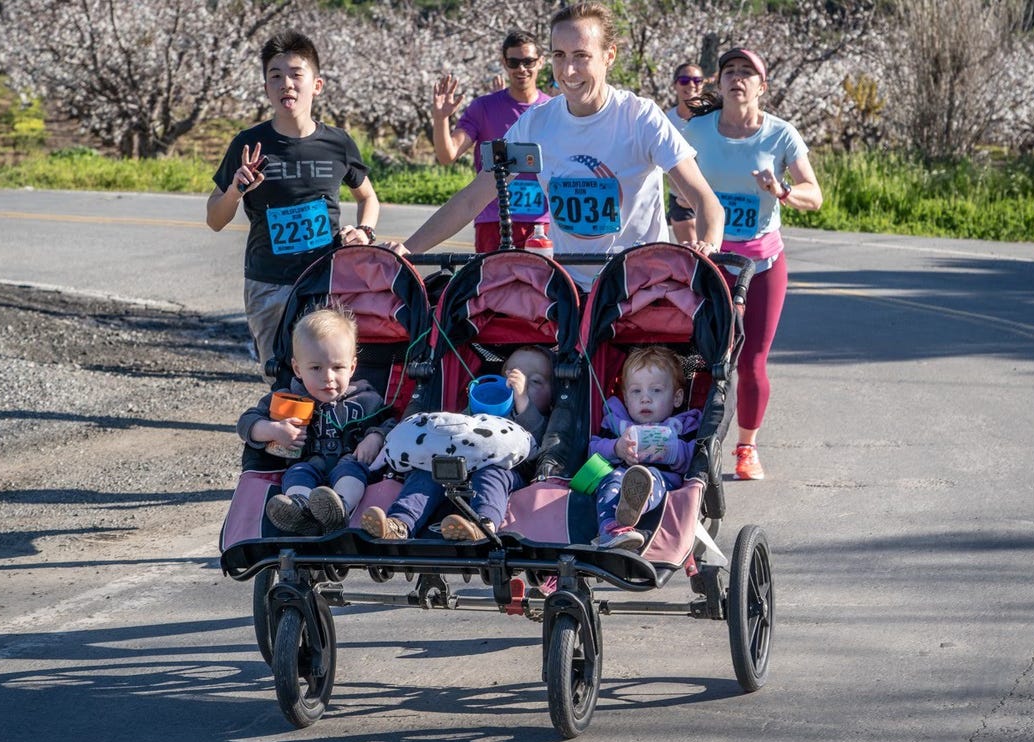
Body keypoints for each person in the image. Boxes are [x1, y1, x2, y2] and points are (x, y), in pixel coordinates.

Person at [385, 2, 724, 290]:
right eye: (560, 56)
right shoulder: (536, 122)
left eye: (581, 56)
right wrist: (405, 249)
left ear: (609, 56)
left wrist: (707, 245)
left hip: (638, 287)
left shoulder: (641, 118)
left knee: (644, 373)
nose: (568, 70)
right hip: (568, 287)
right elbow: (473, 198)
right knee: (522, 366)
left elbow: (706, 202)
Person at [682, 48, 823, 480]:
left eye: (747, 72)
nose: (737, 78)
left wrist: (781, 191)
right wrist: (688, 231)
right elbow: (672, 184)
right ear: (718, 83)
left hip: (762, 265)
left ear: (762, 86)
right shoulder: (697, 130)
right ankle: (685, 440)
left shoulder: (781, 135)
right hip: (713, 262)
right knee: (699, 355)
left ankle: (746, 447)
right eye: (729, 72)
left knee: (752, 359)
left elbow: (814, 196)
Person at [206, 30, 380, 372]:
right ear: (266, 87)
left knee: (327, 371)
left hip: (326, 279)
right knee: (281, 377)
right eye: (275, 76)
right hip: (268, 283)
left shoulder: (338, 143)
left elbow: (368, 197)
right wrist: (235, 189)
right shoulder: (249, 143)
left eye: (296, 74)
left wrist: (364, 231)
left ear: (317, 85)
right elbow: (215, 219)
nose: (286, 84)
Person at [360, 346, 554, 541]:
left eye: (535, 381)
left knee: (492, 475)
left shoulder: (542, 420)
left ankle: (484, 525)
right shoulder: (477, 410)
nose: (517, 384)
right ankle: (400, 523)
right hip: (454, 465)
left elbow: (537, 439)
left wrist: (523, 401)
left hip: (507, 470)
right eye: (510, 375)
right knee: (425, 472)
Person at [237, 305, 394, 535]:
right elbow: (246, 423)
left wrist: (375, 437)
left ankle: (339, 510)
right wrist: (273, 430)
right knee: (297, 474)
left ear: (352, 367)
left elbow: (391, 422)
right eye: (316, 368)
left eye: (337, 367)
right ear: (298, 369)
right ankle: (301, 512)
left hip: (349, 463)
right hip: (307, 463)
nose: (328, 378)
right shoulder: (288, 398)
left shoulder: (366, 398)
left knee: (352, 473)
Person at [431, 30, 552, 252]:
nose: (521, 69)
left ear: (541, 62)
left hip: (541, 224)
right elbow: (448, 155)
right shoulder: (483, 108)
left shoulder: (554, 109)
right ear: (504, 63)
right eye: (514, 62)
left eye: (528, 61)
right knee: (492, 286)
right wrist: (441, 119)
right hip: (492, 222)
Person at [588, 346, 702, 550]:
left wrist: (674, 452)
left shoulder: (681, 424)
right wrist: (616, 448)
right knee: (611, 481)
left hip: (663, 478)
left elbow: (696, 454)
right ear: (625, 397)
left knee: (651, 479)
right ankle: (610, 530)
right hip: (620, 474)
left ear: (677, 398)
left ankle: (634, 504)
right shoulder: (618, 423)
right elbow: (593, 449)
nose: (645, 398)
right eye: (636, 391)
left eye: (656, 390)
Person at [663, 62, 708, 245]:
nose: (691, 85)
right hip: (679, 196)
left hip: (710, 195)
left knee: (713, 255)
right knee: (691, 257)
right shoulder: (665, 120)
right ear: (675, 85)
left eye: (697, 80)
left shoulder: (713, 118)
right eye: (684, 80)